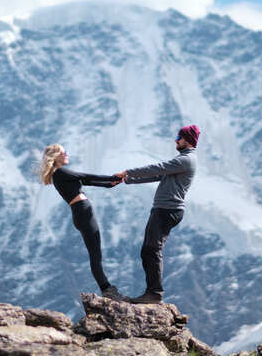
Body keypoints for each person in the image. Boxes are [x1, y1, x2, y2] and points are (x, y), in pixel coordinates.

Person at [115, 125, 200, 304]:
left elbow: (158, 168)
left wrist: (128, 172)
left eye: (179, 137)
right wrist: (128, 180)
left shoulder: (187, 160)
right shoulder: (182, 160)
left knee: (152, 250)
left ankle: (154, 293)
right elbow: (159, 176)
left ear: (187, 139)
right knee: (149, 250)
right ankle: (152, 292)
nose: (176, 140)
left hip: (167, 210)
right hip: (164, 209)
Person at [39, 144, 128, 301]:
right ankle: (107, 289)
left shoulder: (60, 175)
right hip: (83, 213)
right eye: (63, 152)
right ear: (56, 156)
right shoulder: (60, 171)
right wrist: (112, 177)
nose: (67, 154)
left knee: (95, 254)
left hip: (81, 213)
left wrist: (111, 183)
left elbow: (87, 181)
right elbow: (86, 176)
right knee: (95, 255)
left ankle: (107, 288)